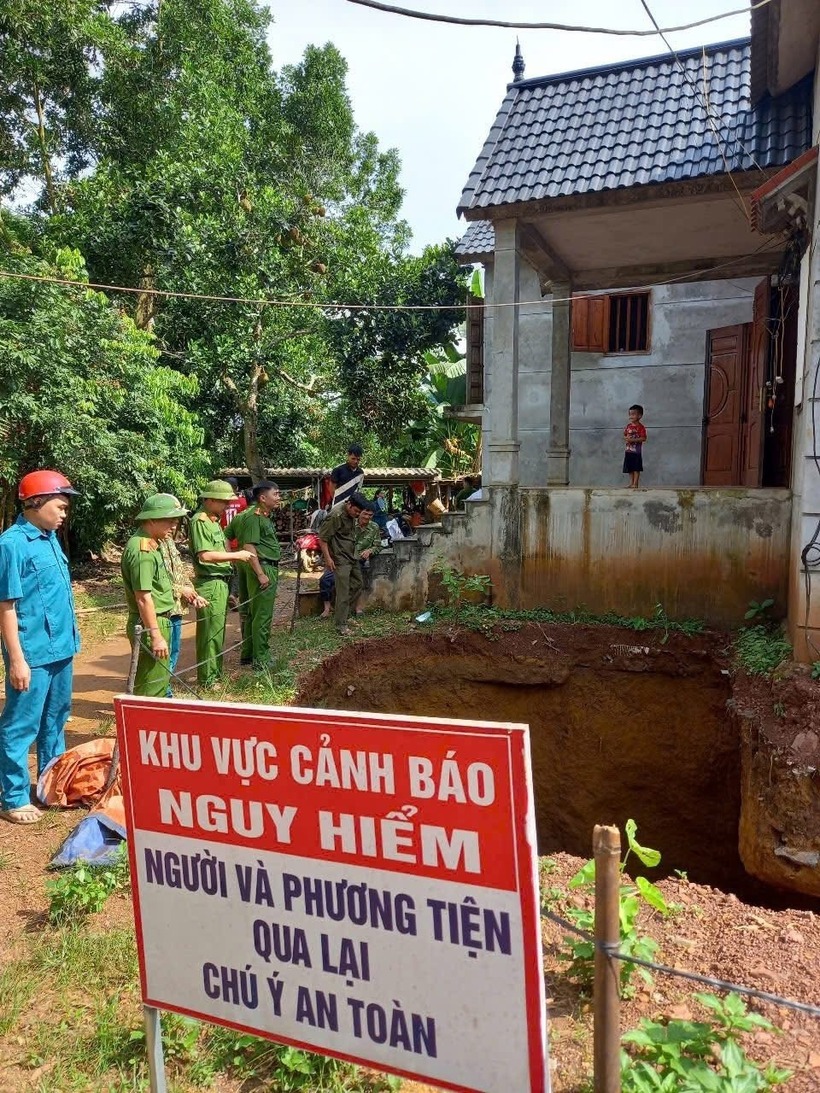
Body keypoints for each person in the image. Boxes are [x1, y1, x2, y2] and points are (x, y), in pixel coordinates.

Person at [0, 471, 80, 824]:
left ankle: (51, 785)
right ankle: (14, 796)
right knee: (21, 724)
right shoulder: (11, 544)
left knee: (55, 720)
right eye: (60, 506)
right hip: (32, 653)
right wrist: (17, 660)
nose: (64, 514)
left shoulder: (49, 539)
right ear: (35, 503)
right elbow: (6, 606)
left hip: (62, 649)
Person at [121, 493, 189, 697]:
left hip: (159, 620)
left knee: (153, 681)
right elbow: (143, 597)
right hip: (152, 622)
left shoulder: (152, 543)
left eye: (175, 521)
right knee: (153, 687)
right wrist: (156, 636)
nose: (174, 526)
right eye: (169, 521)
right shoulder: (143, 550)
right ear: (151, 519)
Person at [189, 481, 253, 687]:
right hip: (209, 583)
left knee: (218, 632)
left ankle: (215, 674)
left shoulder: (214, 521)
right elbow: (205, 555)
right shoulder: (199, 521)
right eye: (223, 501)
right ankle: (207, 679)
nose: (227, 505)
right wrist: (235, 555)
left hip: (220, 582)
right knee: (209, 634)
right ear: (209, 500)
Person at [226, 481, 281, 668]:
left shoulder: (244, 516)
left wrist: (232, 560)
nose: (279, 497)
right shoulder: (253, 517)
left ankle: (248, 653)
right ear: (262, 498)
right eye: (276, 494)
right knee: (262, 615)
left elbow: (227, 535)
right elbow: (249, 546)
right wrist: (260, 573)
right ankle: (261, 659)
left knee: (249, 613)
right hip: (262, 568)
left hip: (248, 567)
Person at [158, 530, 206, 697]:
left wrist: (192, 593)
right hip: (161, 611)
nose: (172, 526)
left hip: (176, 607)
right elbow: (154, 584)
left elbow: (179, 572)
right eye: (169, 520)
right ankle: (161, 695)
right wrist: (181, 590)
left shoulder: (169, 541)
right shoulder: (148, 546)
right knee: (160, 656)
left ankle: (164, 690)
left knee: (173, 652)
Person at [318, 492, 369, 635]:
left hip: (351, 555)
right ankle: (341, 625)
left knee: (358, 584)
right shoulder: (335, 516)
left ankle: (342, 612)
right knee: (343, 591)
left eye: (360, 512)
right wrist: (328, 559)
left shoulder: (351, 513)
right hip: (340, 559)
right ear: (349, 505)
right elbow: (322, 538)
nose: (357, 514)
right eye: (356, 511)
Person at [320, 506, 383, 619]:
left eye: (370, 515)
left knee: (358, 583)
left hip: (359, 561)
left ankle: (351, 608)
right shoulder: (350, 523)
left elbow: (378, 545)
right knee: (326, 580)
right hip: (342, 559)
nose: (367, 517)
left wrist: (370, 550)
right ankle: (327, 608)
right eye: (365, 514)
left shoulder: (374, 527)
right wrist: (330, 557)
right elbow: (328, 539)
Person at [329, 443, 364, 508]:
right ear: (348, 456)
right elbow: (331, 488)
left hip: (352, 507)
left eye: (358, 459)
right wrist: (338, 501)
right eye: (353, 458)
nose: (356, 461)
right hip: (338, 506)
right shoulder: (338, 469)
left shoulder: (361, 473)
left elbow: (358, 490)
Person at [623, 404, 648, 488]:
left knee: (636, 468)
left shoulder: (641, 427)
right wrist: (626, 438)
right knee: (629, 468)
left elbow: (643, 438)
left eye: (633, 414)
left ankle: (635, 483)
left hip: (636, 452)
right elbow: (625, 435)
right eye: (630, 414)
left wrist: (633, 440)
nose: (631, 416)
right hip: (628, 450)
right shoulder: (628, 426)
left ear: (639, 416)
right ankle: (631, 482)